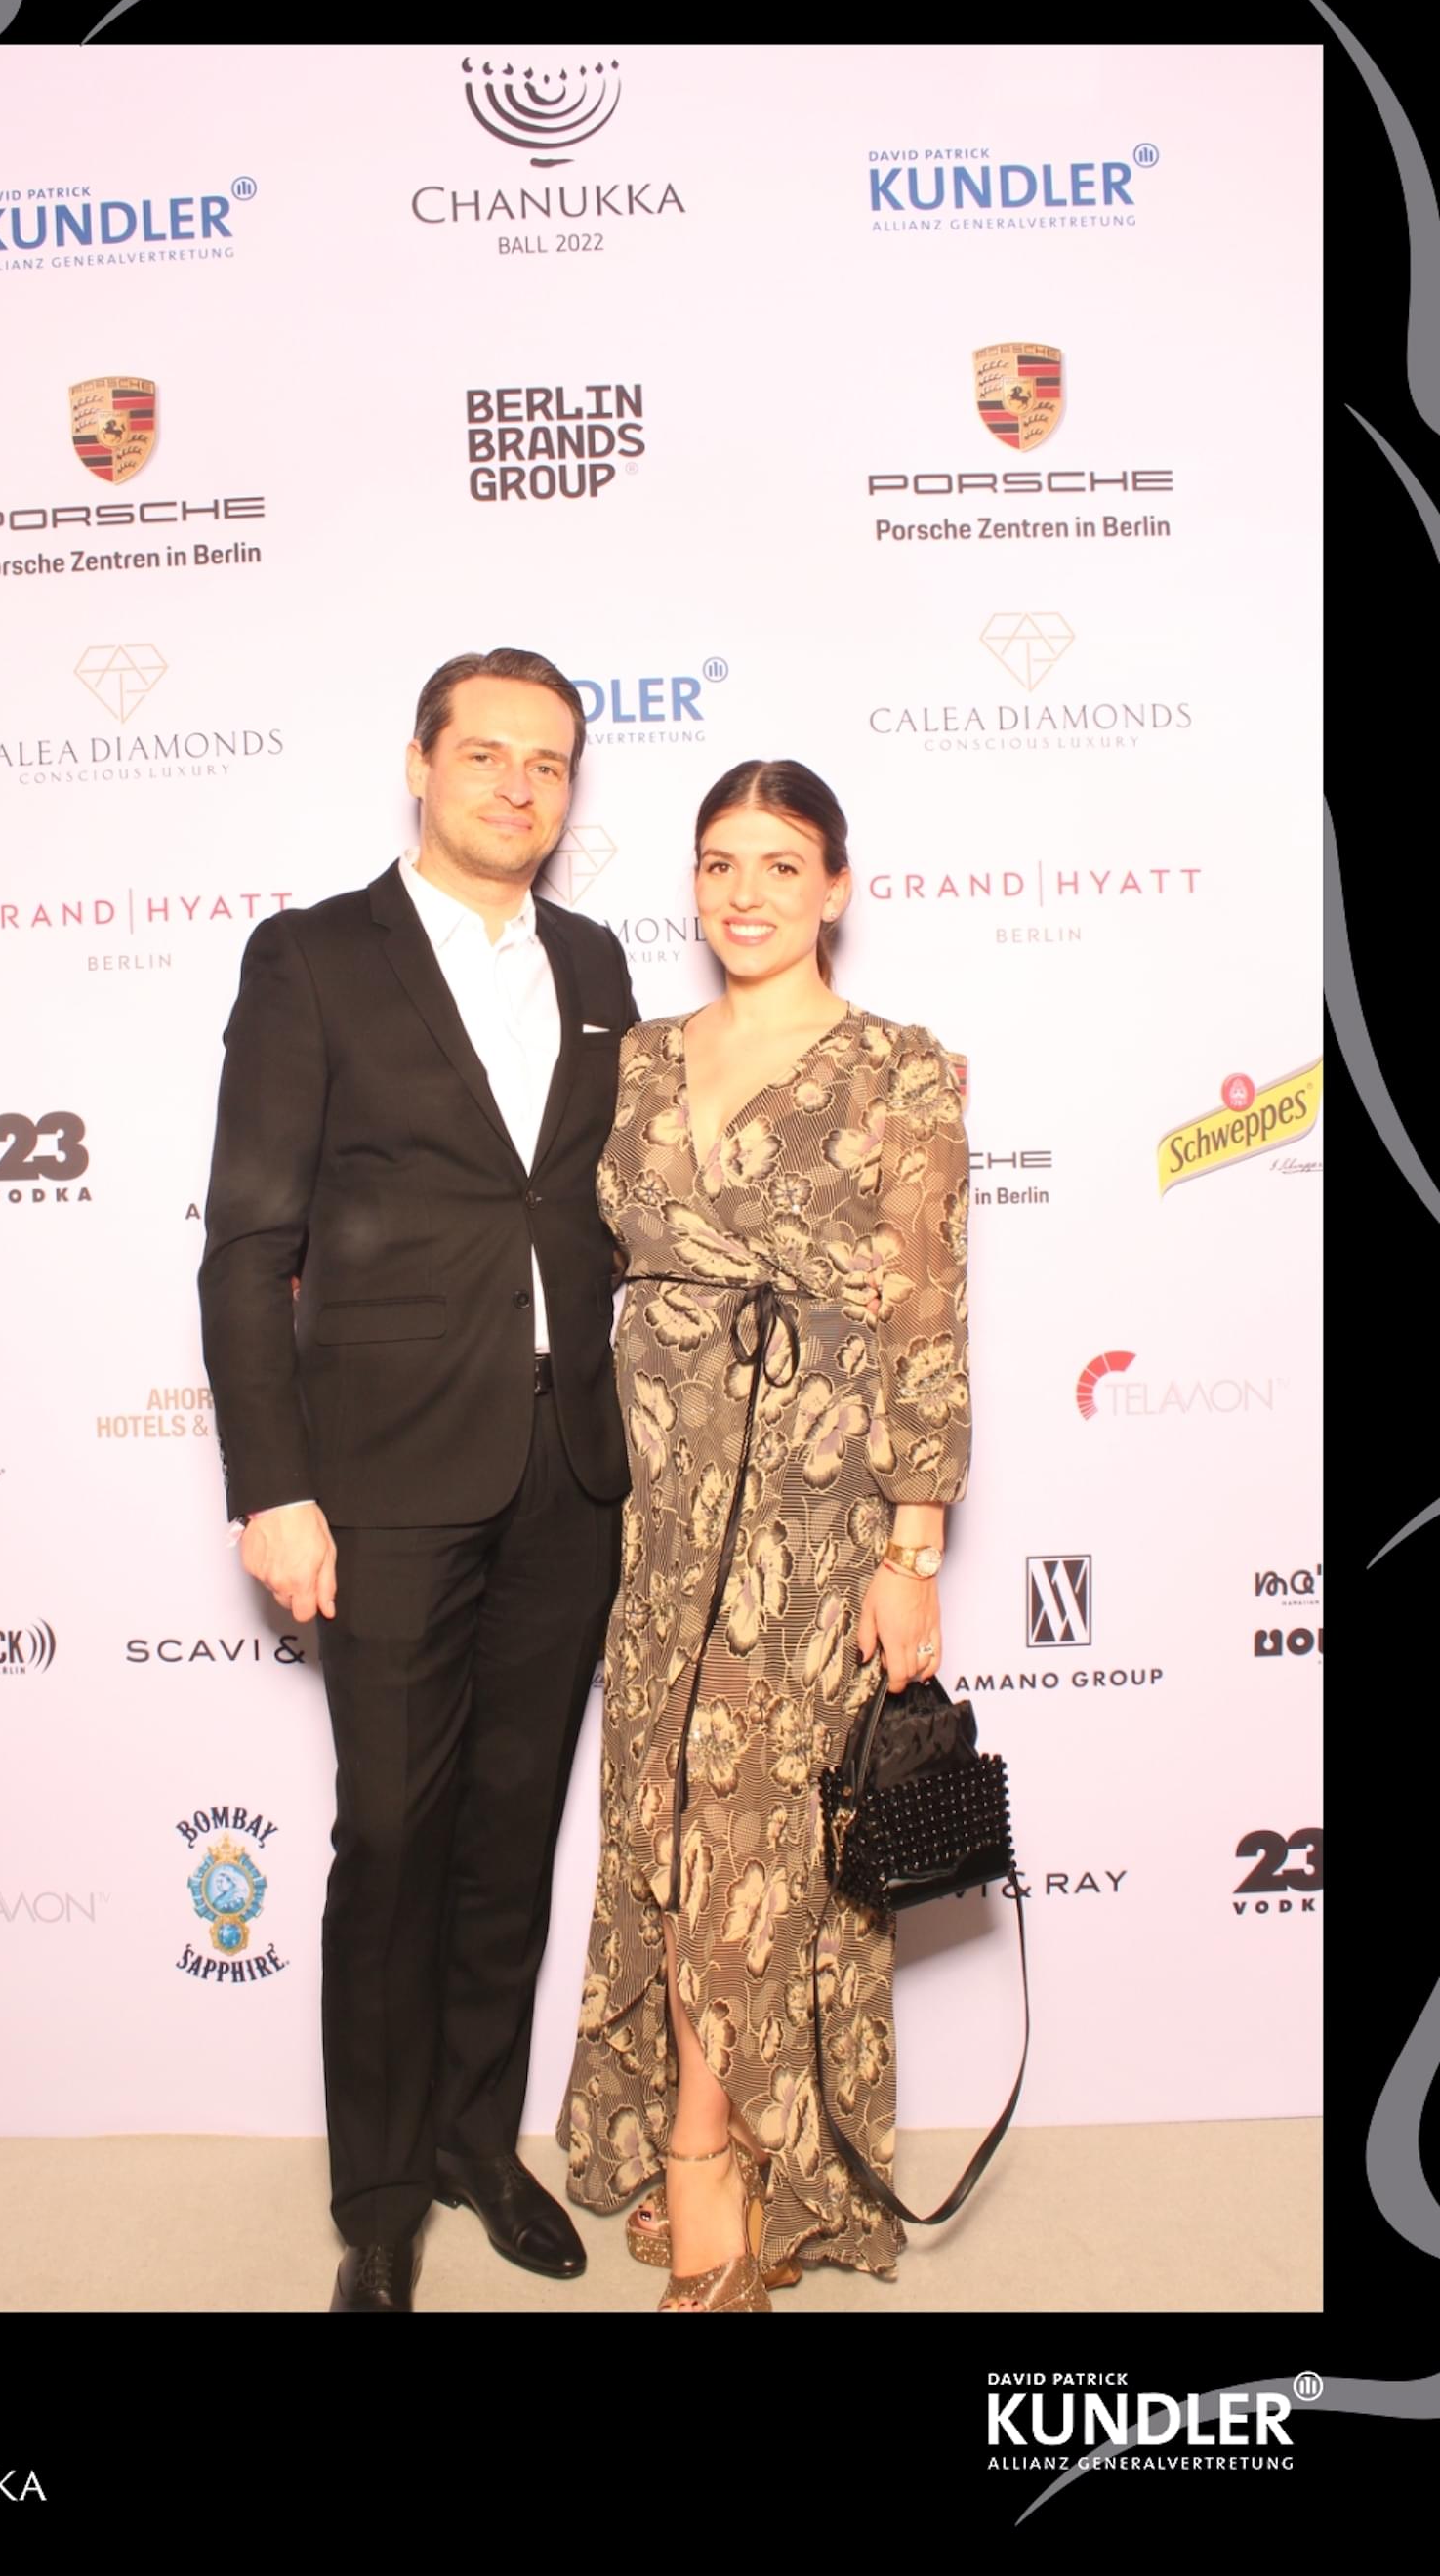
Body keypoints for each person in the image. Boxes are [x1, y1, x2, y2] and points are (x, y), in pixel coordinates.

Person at [199, 648, 638, 2312]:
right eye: (486, 755)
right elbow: (248, 1246)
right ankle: (379, 2199)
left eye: (549, 763)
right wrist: (273, 1486)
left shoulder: (595, 963)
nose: (518, 787)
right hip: (377, 1475)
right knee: (392, 1836)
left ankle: (476, 2141)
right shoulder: (313, 956)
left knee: (512, 1831)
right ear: (420, 764)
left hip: (568, 1466)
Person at [558, 759, 971, 2310]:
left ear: (834, 887)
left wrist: (911, 1550)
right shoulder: (636, 1061)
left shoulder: (900, 1068)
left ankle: (709, 2161)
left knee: (756, 1839)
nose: (746, 894)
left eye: (781, 864)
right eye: (720, 863)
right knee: (662, 1822)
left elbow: (925, 1308)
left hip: (817, 1506)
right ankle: (723, 2135)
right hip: (655, 1508)